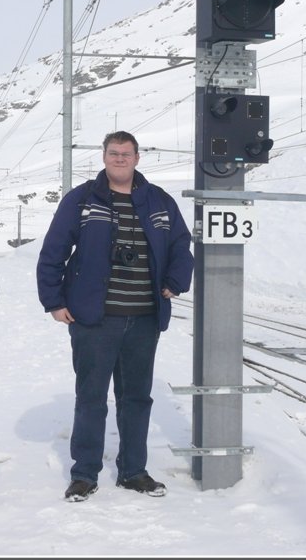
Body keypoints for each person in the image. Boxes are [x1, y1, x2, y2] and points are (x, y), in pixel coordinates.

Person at [37, 130, 194, 502]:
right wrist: (54, 301)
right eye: (113, 153)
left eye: (126, 153)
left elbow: (180, 246)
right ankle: (84, 474)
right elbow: (53, 250)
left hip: (143, 318)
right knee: (91, 397)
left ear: (138, 158)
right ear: (104, 157)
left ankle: (133, 471)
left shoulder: (159, 201)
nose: (119, 159)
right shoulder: (83, 200)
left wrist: (175, 281)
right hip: (94, 319)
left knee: (136, 398)